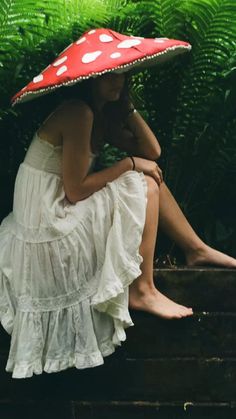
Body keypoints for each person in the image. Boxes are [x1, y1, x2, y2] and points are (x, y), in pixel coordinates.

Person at [1, 70, 236, 379]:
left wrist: (127, 107)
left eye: (123, 77)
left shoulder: (101, 115)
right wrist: (129, 163)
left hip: (60, 210)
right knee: (144, 182)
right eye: (107, 78)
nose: (118, 83)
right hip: (49, 225)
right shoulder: (78, 112)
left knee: (148, 173)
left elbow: (152, 151)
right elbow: (76, 190)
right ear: (88, 80)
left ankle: (197, 250)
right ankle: (143, 289)